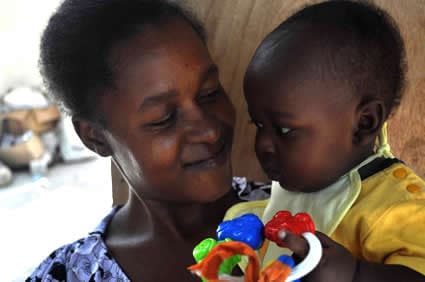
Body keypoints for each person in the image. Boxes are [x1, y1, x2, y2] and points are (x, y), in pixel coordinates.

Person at [27, 0, 270, 281]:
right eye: (163, 119)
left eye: (209, 93)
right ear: (95, 137)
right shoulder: (69, 275)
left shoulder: (299, 216)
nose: (209, 131)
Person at [227, 1, 425, 281]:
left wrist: (354, 273)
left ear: (363, 123)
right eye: (258, 125)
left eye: (284, 130)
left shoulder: (400, 208)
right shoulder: (283, 193)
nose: (262, 145)